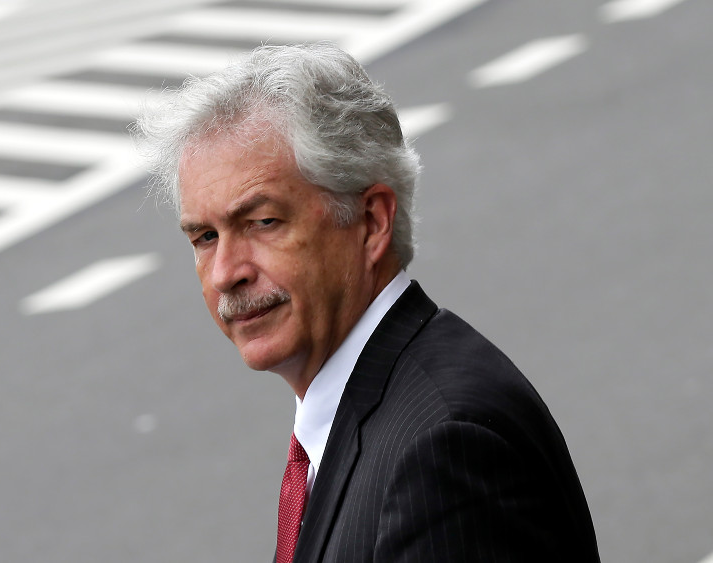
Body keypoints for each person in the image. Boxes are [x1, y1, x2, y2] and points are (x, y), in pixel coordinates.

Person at [133, 42, 600, 563]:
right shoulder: (372, 413)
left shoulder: (442, 447)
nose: (225, 273)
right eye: (204, 238)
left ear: (372, 222)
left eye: (263, 222)